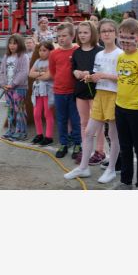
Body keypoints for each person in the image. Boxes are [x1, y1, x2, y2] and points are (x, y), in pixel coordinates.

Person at [66, 20, 120, 181]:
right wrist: (89, 77)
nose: (107, 33)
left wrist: (103, 76)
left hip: (114, 96)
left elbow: (123, 78)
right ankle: (83, 168)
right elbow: (96, 74)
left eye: (110, 30)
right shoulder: (99, 55)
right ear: (100, 34)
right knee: (89, 132)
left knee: (113, 134)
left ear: (116, 33)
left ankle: (111, 169)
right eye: (104, 31)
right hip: (99, 95)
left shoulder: (120, 54)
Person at [114, 18, 138, 190]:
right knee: (125, 146)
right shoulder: (120, 57)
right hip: (120, 107)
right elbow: (121, 79)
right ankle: (126, 180)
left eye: (130, 36)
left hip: (137, 109)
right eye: (122, 36)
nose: (126, 41)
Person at [70, 20, 101, 165]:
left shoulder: (99, 51)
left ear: (92, 34)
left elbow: (101, 70)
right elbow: (73, 68)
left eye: (86, 32)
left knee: (98, 123)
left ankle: (99, 151)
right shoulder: (76, 52)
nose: (82, 35)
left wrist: (90, 73)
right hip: (81, 91)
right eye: (80, 32)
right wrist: (75, 72)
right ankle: (86, 149)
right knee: (83, 122)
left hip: (95, 91)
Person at [48, 23, 79, 157]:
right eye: (59, 36)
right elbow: (53, 71)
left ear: (72, 36)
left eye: (64, 35)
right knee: (61, 119)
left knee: (75, 119)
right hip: (59, 92)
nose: (61, 38)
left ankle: (78, 144)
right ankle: (63, 144)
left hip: (73, 92)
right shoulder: (54, 54)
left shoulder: (77, 50)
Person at [0, 34, 30, 140]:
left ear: (20, 44)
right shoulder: (6, 57)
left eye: (15, 43)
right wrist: (3, 84)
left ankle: (21, 132)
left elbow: (23, 73)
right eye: (10, 43)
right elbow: (2, 71)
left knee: (20, 110)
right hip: (8, 89)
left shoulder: (23, 57)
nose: (12, 46)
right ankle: (11, 130)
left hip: (19, 88)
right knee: (10, 110)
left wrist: (12, 84)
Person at [29, 40, 55, 146]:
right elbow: (30, 74)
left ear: (50, 51)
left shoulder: (52, 61)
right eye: (40, 50)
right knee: (36, 114)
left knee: (47, 114)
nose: (41, 52)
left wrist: (38, 74)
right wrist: (42, 73)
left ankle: (49, 136)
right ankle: (39, 134)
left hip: (48, 91)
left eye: (44, 50)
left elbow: (49, 76)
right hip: (38, 91)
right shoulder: (38, 61)